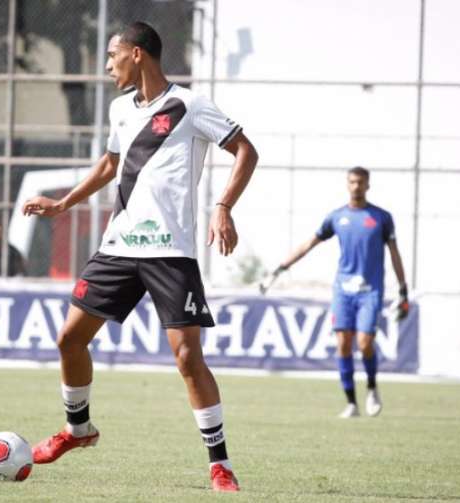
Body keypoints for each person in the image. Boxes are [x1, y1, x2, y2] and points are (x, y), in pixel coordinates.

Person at [22, 21, 258, 492]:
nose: (107, 66)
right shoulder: (119, 109)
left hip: (171, 252)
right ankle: (78, 430)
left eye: (112, 56)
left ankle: (220, 464)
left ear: (136, 54)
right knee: (70, 339)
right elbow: (111, 165)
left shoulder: (190, 106)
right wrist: (66, 202)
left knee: (188, 358)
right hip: (119, 246)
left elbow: (245, 151)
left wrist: (224, 207)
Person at [271, 166, 408, 418]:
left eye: (361, 182)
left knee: (365, 343)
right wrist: (282, 266)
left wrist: (403, 289)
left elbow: (394, 253)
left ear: (368, 185)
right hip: (343, 291)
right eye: (353, 182)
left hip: (370, 290)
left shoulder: (381, 217)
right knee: (343, 344)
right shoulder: (336, 217)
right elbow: (308, 244)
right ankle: (351, 404)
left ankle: (372, 387)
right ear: (347, 184)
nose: (356, 186)